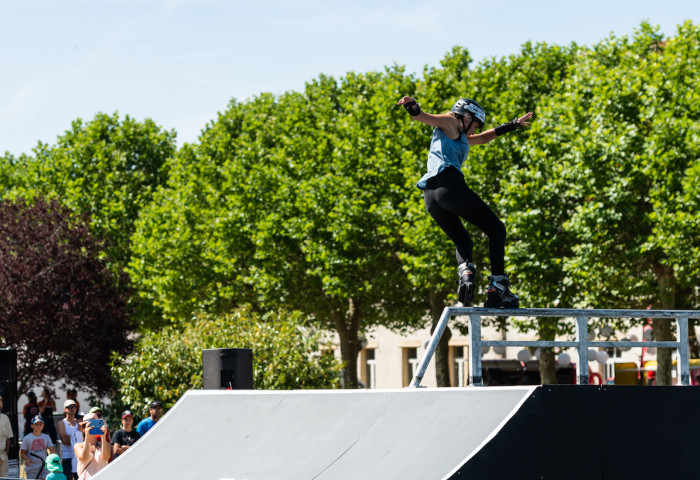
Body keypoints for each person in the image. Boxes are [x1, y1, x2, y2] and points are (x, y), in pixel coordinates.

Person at [397, 95, 532, 308]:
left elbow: (485, 138)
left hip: (431, 197)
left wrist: (512, 125)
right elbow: (425, 117)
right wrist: (412, 107)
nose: (474, 131)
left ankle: (466, 274)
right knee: (497, 230)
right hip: (449, 186)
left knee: (463, 242)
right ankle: (498, 288)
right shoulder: (451, 122)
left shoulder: (460, 136)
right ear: (465, 117)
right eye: (474, 125)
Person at [73, 413, 109, 480]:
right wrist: (87, 437)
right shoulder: (78, 446)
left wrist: (103, 437)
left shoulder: (105, 444)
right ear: (83, 428)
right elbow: (84, 457)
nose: (92, 427)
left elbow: (106, 457)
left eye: (94, 424)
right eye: (89, 425)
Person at [20, 415, 57, 480]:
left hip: (44, 466)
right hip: (32, 468)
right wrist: (26, 458)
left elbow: (52, 450)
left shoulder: (46, 437)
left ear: (43, 425)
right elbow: (22, 453)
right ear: (32, 426)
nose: (39, 426)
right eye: (36, 424)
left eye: (40, 424)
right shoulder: (27, 438)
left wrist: (56, 460)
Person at [57, 400, 79, 479]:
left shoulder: (79, 423)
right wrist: (77, 437)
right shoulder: (61, 423)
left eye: (74, 406)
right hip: (67, 457)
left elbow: (83, 439)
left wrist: (71, 437)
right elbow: (65, 441)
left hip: (78, 457)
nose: (72, 408)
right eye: (69, 407)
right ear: (65, 409)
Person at [0, 395, 14, 478]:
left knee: (4, 478)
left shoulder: (5, 418)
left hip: (3, 456)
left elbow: (8, 437)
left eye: (1, 402)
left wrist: (7, 453)